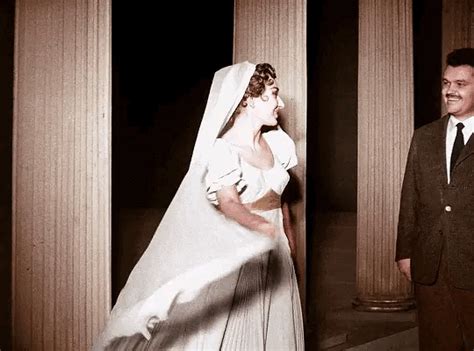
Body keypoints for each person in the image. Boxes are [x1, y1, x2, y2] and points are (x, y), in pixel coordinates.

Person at [93, 62, 304, 350]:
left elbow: (283, 205)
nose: (279, 103)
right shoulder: (223, 150)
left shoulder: (279, 144)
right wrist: (257, 226)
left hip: (276, 250)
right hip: (243, 250)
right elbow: (228, 202)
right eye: (273, 94)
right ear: (249, 99)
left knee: (274, 330)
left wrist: (289, 243)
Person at [396, 47, 474, 350]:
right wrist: (404, 252)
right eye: (446, 83)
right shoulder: (424, 136)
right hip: (431, 266)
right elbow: (409, 197)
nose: (450, 91)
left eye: (460, 84)